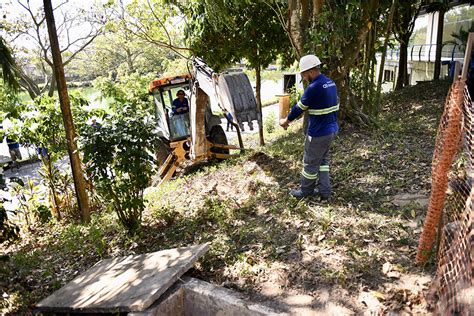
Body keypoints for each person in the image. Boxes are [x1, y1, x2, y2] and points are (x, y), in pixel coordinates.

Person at [279, 54, 339, 201]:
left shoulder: (314, 87)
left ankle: (305, 192)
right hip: (331, 130)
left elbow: (299, 108)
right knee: (323, 161)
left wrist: (286, 121)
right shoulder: (330, 83)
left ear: (311, 71)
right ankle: (325, 192)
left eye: (304, 74)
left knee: (310, 164)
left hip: (318, 133)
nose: (304, 78)